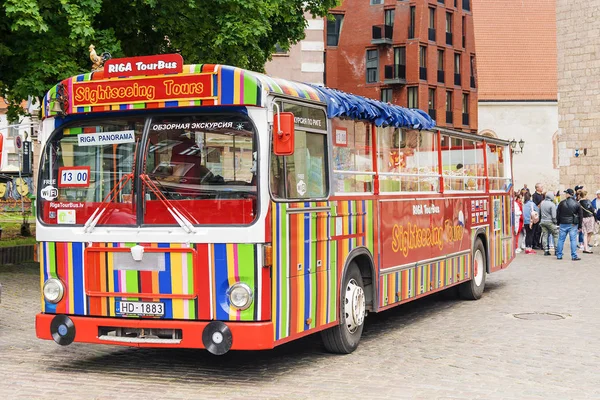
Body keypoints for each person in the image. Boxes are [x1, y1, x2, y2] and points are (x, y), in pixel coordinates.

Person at [555, 188, 583, 261]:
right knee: (573, 240)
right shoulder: (577, 203)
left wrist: (558, 222)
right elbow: (580, 215)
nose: (565, 194)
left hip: (563, 223)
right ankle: (574, 256)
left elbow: (558, 214)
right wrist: (580, 225)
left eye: (566, 193)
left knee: (561, 239)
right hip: (573, 224)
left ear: (569, 194)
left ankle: (559, 255)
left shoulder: (561, 203)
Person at [540, 191, 559, 256]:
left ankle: (546, 250)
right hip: (550, 221)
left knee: (545, 235)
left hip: (543, 221)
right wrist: (555, 222)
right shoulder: (552, 204)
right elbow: (554, 216)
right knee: (555, 234)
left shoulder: (542, 203)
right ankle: (556, 250)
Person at [532, 183, 544, 249]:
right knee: (536, 230)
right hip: (536, 214)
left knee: (539, 230)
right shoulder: (535, 195)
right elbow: (535, 205)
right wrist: (541, 203)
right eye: (541, 187)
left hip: (541, 214)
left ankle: (538, 242)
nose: (542, 188)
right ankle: (534, 244)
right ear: (537, 188)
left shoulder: (542, 195)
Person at [575, 185, 585, 249]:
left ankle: (582, 242)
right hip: (577, 217)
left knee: (581, 231)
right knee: (578, 231)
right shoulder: (576, 199)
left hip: (579, 216)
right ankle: (578, 243)